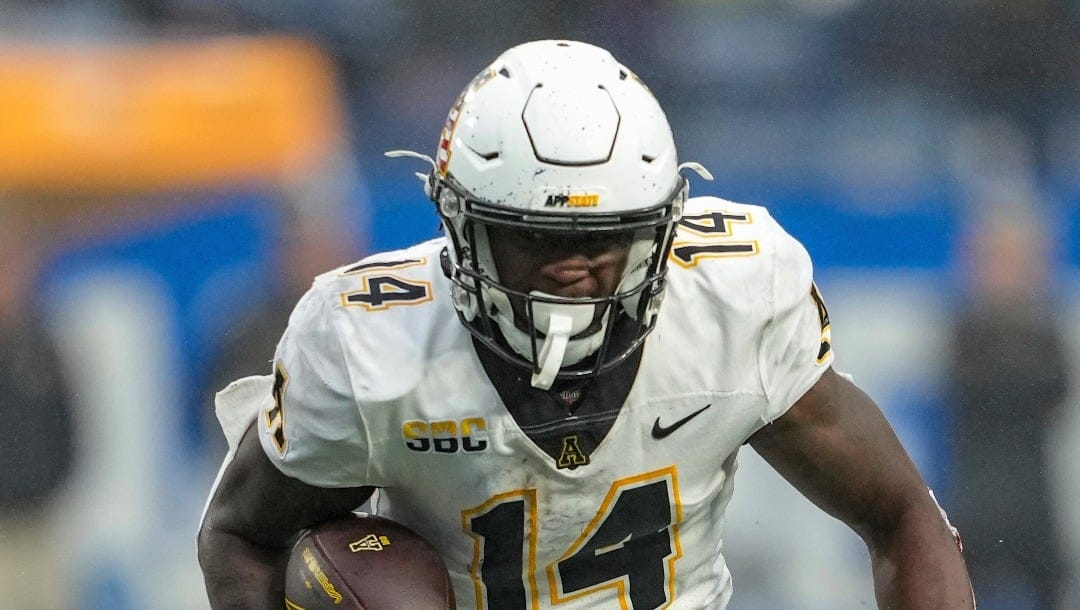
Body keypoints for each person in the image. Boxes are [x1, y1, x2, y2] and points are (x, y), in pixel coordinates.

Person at [198, 40, 974, 609]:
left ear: (663, 227)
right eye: (534, 238)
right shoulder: (369, 345)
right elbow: (242, 538)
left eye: (605, 241)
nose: (573, 270)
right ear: (460, 226)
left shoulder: (734, 298)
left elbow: (905, 516)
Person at [947, 204, 1068, 610]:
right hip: (975, 503)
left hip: (1035, 504)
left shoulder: (1047, 332)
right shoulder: (963, 331)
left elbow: (1051, 393)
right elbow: (979, 391)